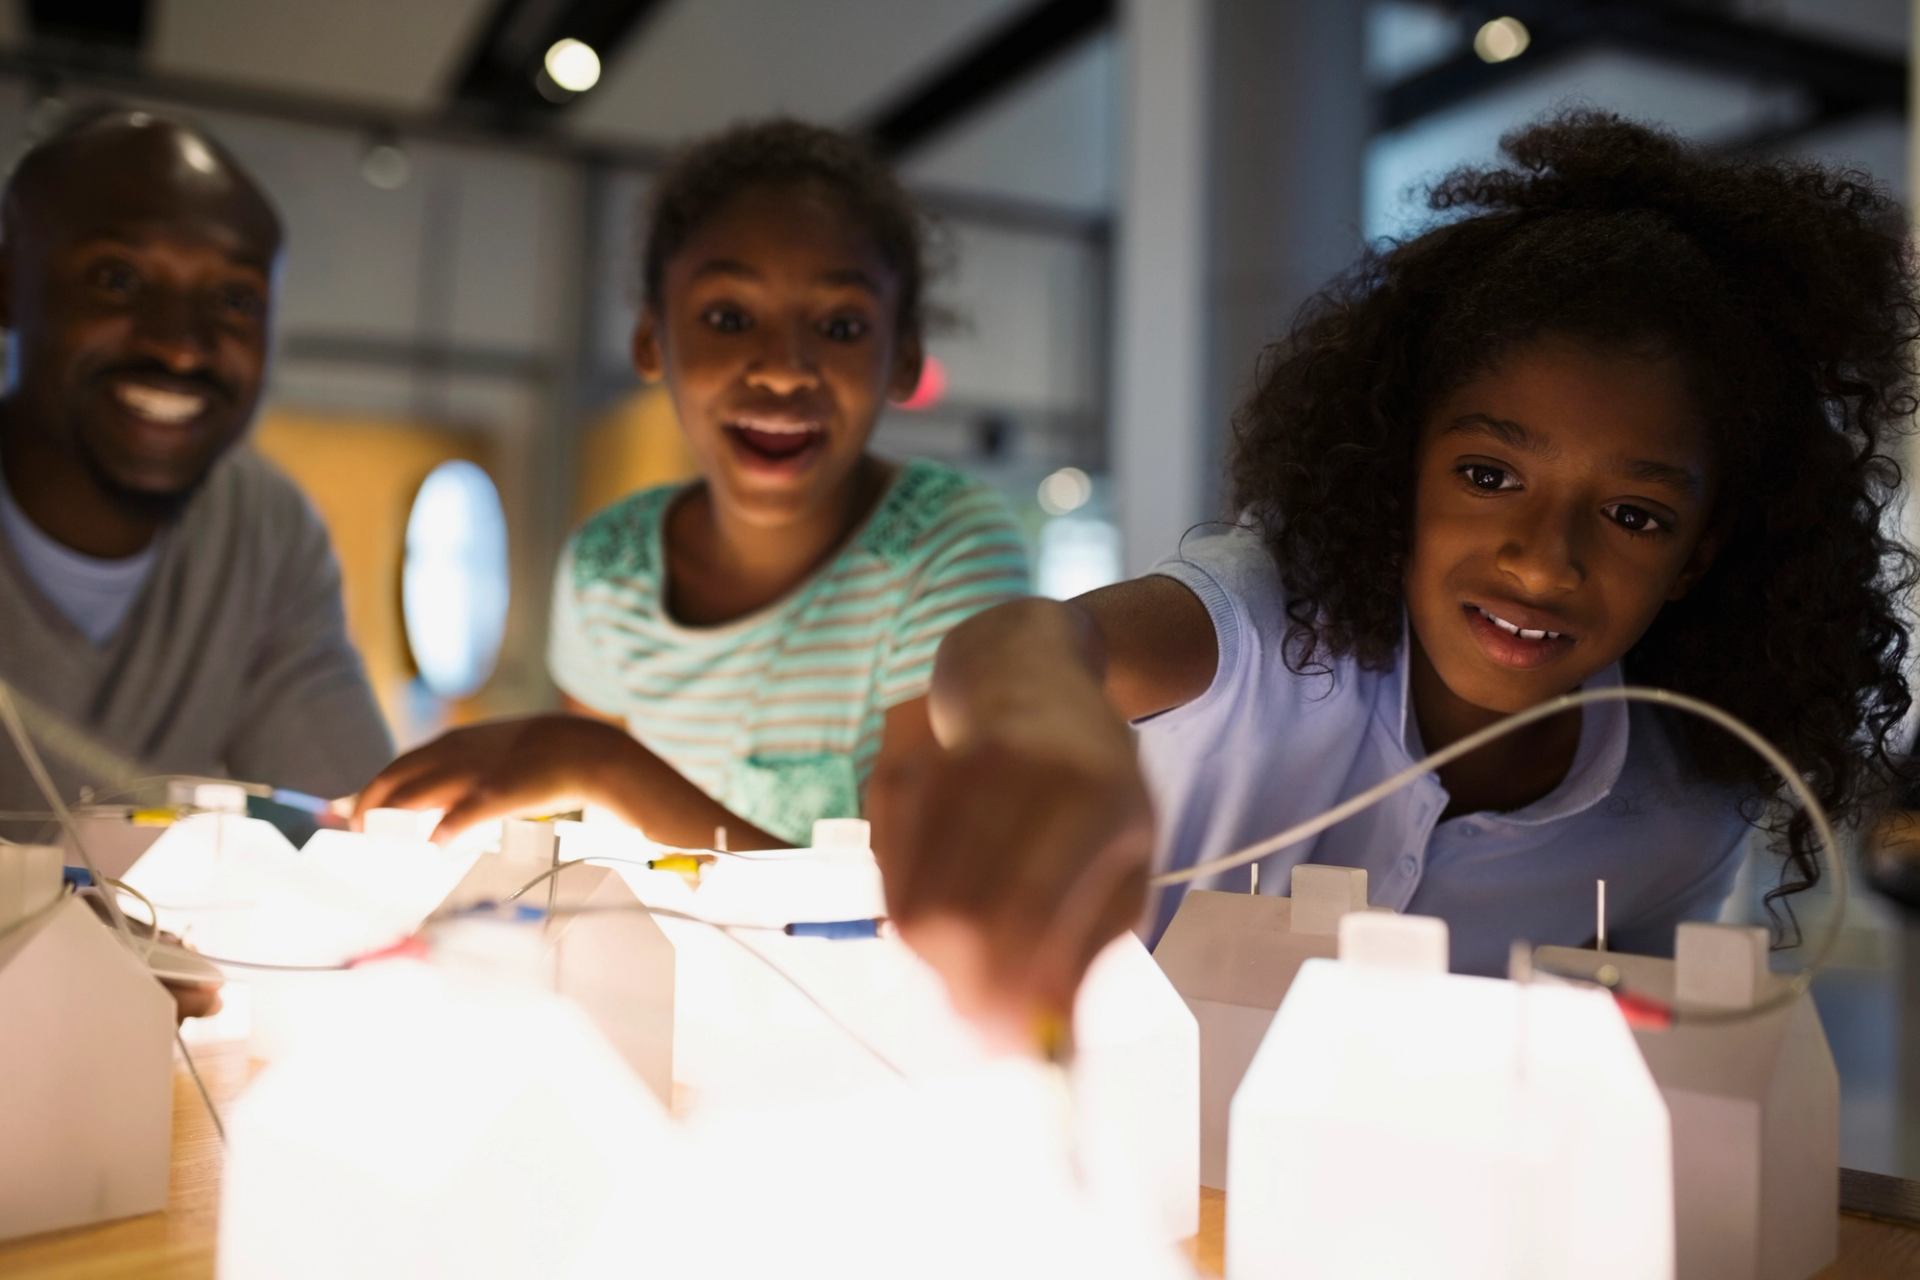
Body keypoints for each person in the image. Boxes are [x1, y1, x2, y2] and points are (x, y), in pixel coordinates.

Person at [873, 112, 1919, 1040]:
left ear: (1699, 552)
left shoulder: (1683, 805)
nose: (1542, 558)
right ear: (1398, 465)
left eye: (1632, 515)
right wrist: (1047, 733)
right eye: (1488, 475)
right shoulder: (1270, 628)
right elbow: (1017, 645)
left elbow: (1627, 1072)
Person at [356, 120, 1030, 848]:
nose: (783, 369)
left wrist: (602, 765)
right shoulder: (606, 571)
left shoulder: (947, 545)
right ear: (654, 342)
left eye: (841, 327)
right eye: (729, 318)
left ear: (903, 358)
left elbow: (913, 891)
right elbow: (606, 861)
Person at [0, 108, 390, 830]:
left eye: (234, 299)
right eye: (117, 279)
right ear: (9, 284)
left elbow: (358, 823)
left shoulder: (262, 528)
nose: (180, 346)